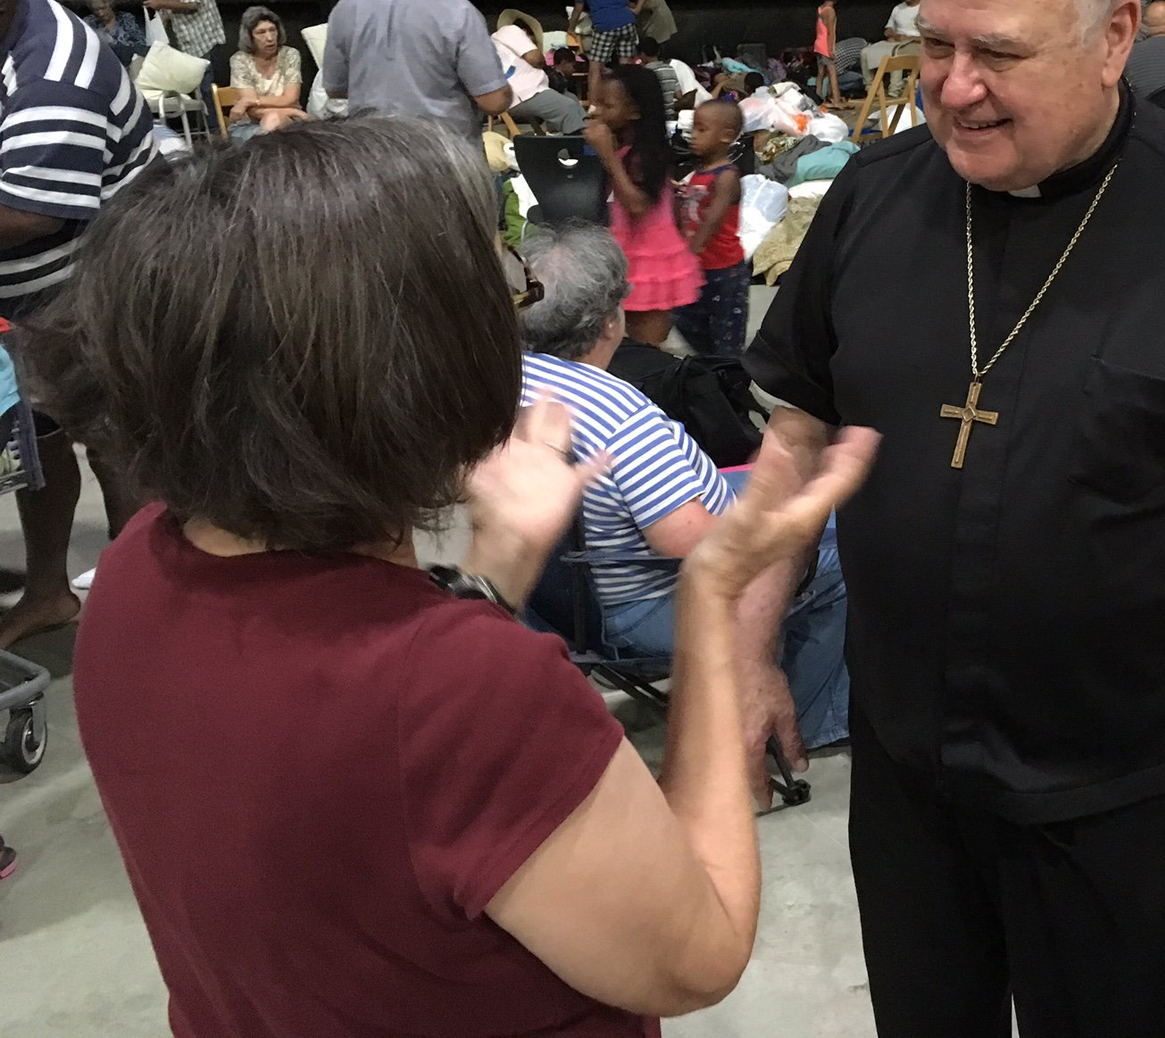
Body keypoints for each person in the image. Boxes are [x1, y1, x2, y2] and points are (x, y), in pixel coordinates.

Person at [33, 115, 875, 1035]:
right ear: (429, 366)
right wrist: (716, 602)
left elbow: (362, 782)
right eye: (502, 298)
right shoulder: (465, 690)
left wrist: (492, 581)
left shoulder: (135, 571)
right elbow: (698, 950)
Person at [744, 0, 1165, 1037]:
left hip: (1122, 792)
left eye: (1000, 55)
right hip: (910, 771)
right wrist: (746, 650)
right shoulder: (871, 201)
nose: (953, 90)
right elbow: (796, 443)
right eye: (936, 44)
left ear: (1115, 35)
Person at [516, 220, 850, 745]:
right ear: (610, 320)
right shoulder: (617, 412)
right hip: (638, 604)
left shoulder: (515, 380)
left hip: (557, 594)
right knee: (852, 548)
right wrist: (785, 520)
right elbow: (688, 539)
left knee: (816, 507)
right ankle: (810, 719)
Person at [0, 0, 156, 652]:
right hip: (27, 289)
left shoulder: (53, 70)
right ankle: (47, 591)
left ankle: (143, 608)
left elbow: (27, 210)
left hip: (96, 275)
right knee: (38, 436)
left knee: (115, 439)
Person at [321, 0, 512, 149]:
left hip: (370, 158)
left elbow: (336, 89)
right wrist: (508, 90)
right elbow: (494, 102)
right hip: (444, 160)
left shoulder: (347, 6)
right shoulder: (458, 12)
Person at [585, 64, 700, 344]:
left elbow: (638, 206)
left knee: (647, 345)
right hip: (627, 249)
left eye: (606, 105)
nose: (594, 111)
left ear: (635, 111)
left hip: (651, 256)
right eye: (595, 102)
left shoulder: (648, 154)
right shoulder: (625, 150)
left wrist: (609, 157)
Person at [673, 101, 751, 357]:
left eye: (701, 130)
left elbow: (713, 219)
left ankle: (730, 383)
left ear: (726, 136)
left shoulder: (726, 175)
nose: (693, 136)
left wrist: (690, 253)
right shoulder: (697, 173)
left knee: (726, 335)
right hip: (698, 268)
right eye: (693, 129)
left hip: (724, 272)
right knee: (684, 319)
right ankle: (712, 367)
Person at [132, 0, 228, 129]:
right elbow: (169, 11)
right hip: (190, 44)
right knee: (200, 93)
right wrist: (158, 19)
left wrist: (162, 3)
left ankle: (218, 133)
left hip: (204, 39)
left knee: (208, 91)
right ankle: (208, 132)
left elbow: (192, 4)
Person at [572, 0, 650, 103]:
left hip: (604, 25)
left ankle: (594, 104)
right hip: (627, 23)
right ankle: (626, 101)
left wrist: (571, 27)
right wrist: (637, 10)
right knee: (626, 66)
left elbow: (578, 7)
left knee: (595, 66)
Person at [225, 6, 307, 142]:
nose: (269, 38)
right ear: (249, 37)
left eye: (272, 30)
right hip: (251, 125)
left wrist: (251, 101)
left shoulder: (290, 55)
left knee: (274, 121)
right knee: (273, 121)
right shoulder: (239, 60)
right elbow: (253, 112)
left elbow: (290, 98)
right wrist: (294, 111)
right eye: (261, 32)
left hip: (291, 123)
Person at [492, 18, 584, 134]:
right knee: (568, 107)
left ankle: (582, 137)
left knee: (571, 98)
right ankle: (578, 148)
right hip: (525, 93)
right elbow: (536, 59)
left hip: (523, 92)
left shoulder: (500, 44)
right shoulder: (510, 30)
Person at [860, 0, 923, 83]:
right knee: (865, 52)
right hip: (895, 42)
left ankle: (894, 91)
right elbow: (888, 29)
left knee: (895, 53)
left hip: (915, 44)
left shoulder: (924, 9)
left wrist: (908, 38)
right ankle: (870, 87)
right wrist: (893, 34)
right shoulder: (898, 8)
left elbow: (929, 37)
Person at [81, 0, 148, 65]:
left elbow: (141, 45)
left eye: (103, 8)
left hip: (129, 63)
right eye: (96, 10)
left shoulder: (126, 19)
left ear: (111, 4)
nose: (100, 13)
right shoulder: (89, 23)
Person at [814, 0, 844, 106]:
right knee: (832, 72)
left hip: (818, 44)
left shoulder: (820, 9)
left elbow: (818, 28)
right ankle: (836, 100)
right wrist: (831, 49)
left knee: (820, 73)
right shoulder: (830, 11)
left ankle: (817, 96)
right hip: (825, 45)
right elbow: (831, 32)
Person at [637, 35, 681, 118]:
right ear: (658, 52)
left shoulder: (644, 73)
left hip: (654, 117)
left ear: (642, 54)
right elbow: (679, 96)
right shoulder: (670, 69)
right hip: (671, 115)